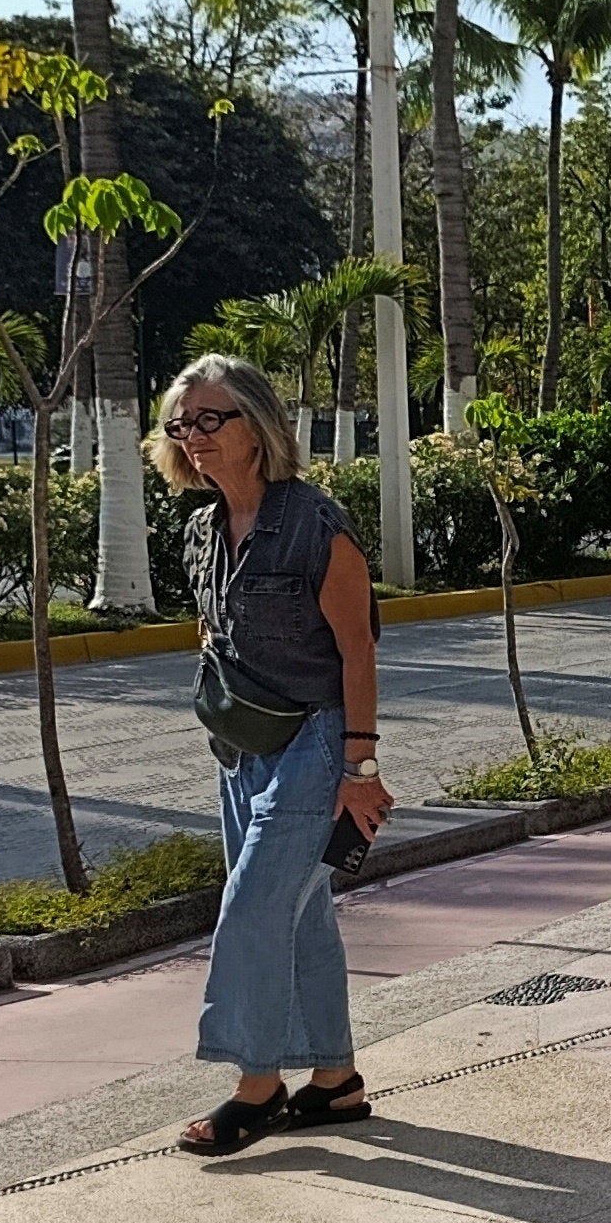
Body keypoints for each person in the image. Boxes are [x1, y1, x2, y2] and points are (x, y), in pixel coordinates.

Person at [156, 354, 396, 1158]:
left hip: (318, 742)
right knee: (302, 920)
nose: (194, 438)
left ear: (257, 428)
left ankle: (255, 1087)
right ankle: (334, 1081)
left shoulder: (315, 526)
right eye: (180, 425)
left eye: (210, 419)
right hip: (243, 747)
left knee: (253, 910)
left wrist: (358, 770)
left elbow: (357, 649)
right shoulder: (200, 529)